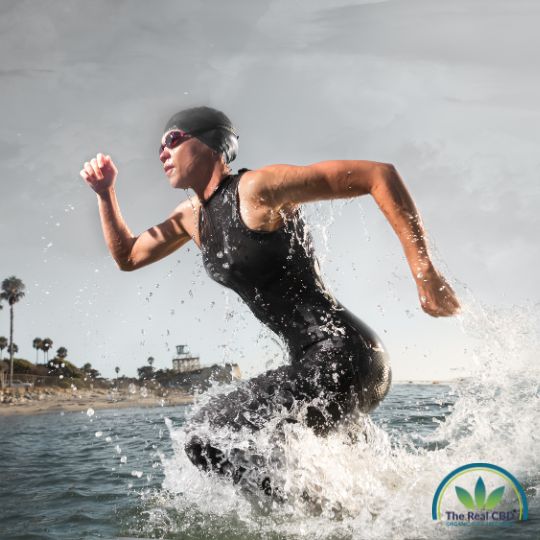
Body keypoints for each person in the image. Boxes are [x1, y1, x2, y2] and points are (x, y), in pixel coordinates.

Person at [80, 105, 461, 496]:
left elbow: (378, 175)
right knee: (268, 452)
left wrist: (424, 271)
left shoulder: (258, 188)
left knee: (204, 436)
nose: (162, 152)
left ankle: (303, 520)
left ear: (212, 143)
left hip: (345, 357)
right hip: (319, 369)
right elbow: (128, 256)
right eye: (160, 146)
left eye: (173, 140)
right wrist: (105, 192)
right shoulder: (189, 218)